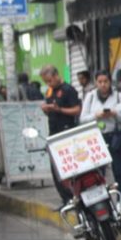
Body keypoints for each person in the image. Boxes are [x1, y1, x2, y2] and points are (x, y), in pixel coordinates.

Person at [79, 70, 121, 196]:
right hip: (96, 138)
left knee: (118, 170)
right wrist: (96, 115)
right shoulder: (90, 96)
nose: (103, 84)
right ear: (96, 83)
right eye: (100, 82)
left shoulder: (118, 96)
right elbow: (83, 119)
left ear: (110, 82)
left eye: (105, 81)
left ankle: (120, 200)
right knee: (98, 172)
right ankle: (101, 199)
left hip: (114, 137)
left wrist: (114, 112)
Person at [39, 65, 82, 204]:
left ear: (56, 75)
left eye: (50, 80)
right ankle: (64, 199)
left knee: (69, 166)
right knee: (56, 169)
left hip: (67, 132)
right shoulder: (49, 92)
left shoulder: (68, 90)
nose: (48, 84)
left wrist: (60, 109)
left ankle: (74, 196)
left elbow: (76, 110)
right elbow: (49, 110)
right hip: (53, 132)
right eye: (46, 81)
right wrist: (46, 109)